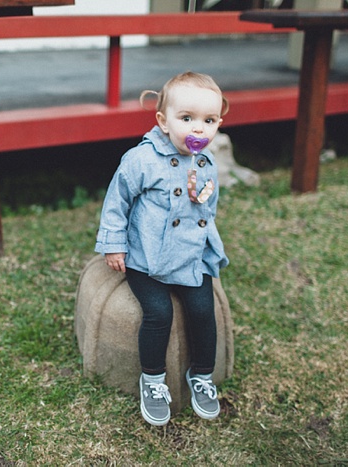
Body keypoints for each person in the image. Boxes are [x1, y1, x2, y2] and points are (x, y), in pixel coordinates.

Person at [95, 71, 230, 426]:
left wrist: (201, 198)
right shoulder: (142, 160)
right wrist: (114, 245)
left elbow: (206, 210)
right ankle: (153, 379)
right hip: (148, 257)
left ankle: (201, 374)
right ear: (163, 121)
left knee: (203, 309)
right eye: (186, 119)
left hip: (188, 255)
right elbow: (117, 202)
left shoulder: (206, 163)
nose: (198, 129)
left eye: (209, 120)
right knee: (159, 313)